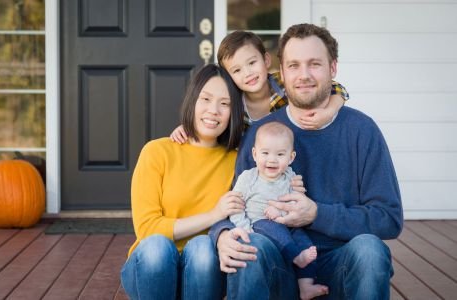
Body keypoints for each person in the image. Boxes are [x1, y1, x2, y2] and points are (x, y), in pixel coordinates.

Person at [210, 23, 403, 300]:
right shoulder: (260, 133)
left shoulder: (362, 130)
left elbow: (389, 218)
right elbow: (235, 200)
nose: (303, 75)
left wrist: (316, 214)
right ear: (282, 72)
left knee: (371, 251)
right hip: (279, 261)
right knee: (249, 247)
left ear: (332, 68)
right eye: (294, 65)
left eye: (314, 64)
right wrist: (223, 233)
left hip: (343, 262)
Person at [120, 64, 246, 300]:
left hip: (204, 271)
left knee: (202, 248)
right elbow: (147, 229)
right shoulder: (157, 152)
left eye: (225, 103)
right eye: (205, 99)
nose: (213, 110)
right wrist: (213, 215)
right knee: (157, 246)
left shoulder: (238, 160)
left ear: (234, 112)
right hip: (151, 268)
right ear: (192, 101)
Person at [170, 30, 350, 143]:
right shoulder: (232, 101)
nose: (248, 73)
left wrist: (329, 111)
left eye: (252, 63)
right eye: (237, 70)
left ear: (266, 60)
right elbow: (213, 119)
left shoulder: (284, 83)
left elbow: (336, 88)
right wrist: (189, 127)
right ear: (228, 75)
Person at [229, 121, 328, 299]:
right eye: (265, 153)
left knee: (305, 242)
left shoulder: (291, 178)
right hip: (259, 223)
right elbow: (235, 206)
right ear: (254, 154)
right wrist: (244, 228)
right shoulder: (248, 178)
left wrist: (281, 213)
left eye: (280, 154)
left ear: (291, 157)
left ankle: (306, 286)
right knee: (273, 228)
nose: (272, 159)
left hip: (288, 223)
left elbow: (295, 206)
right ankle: (295, 257)